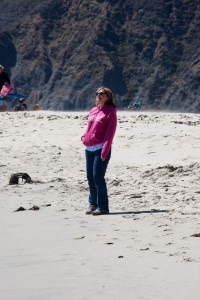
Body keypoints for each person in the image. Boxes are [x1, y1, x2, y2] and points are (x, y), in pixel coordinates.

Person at [81, 87, 117, 215]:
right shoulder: (93, 111)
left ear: (108, 96)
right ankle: (93, 203)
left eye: (101, 94)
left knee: (98, 177)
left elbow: (109, 134)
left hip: (100, 148)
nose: (98, 95)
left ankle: (103, 207)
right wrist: (84, 138)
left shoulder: (110, 113)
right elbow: (88, 128)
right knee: (90, 177)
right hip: (89, 148)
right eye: (97, 93)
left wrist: (105, 151)